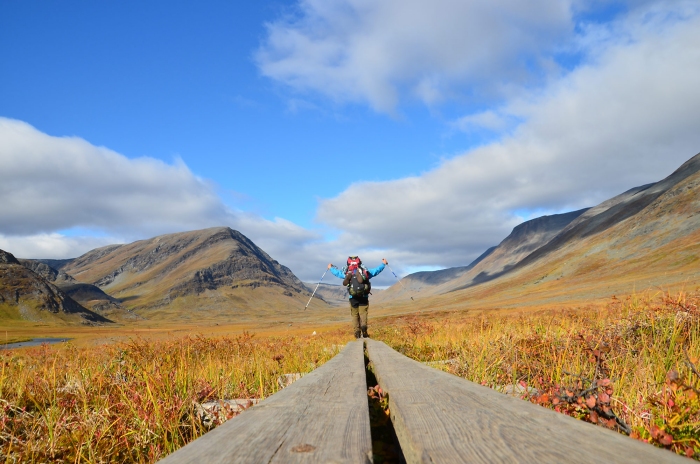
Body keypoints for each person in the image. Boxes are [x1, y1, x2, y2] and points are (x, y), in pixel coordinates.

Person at [328, 256, 388, 339]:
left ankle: (357, 332)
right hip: (364, 296)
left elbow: (337, 273)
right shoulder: (365, 271)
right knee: (363, 313)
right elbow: (376, 271)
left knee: (355, 315)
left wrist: (330, 268)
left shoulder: (347, 272)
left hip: (353, 297)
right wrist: (383, 264)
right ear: (360, 262)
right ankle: (364, 327)